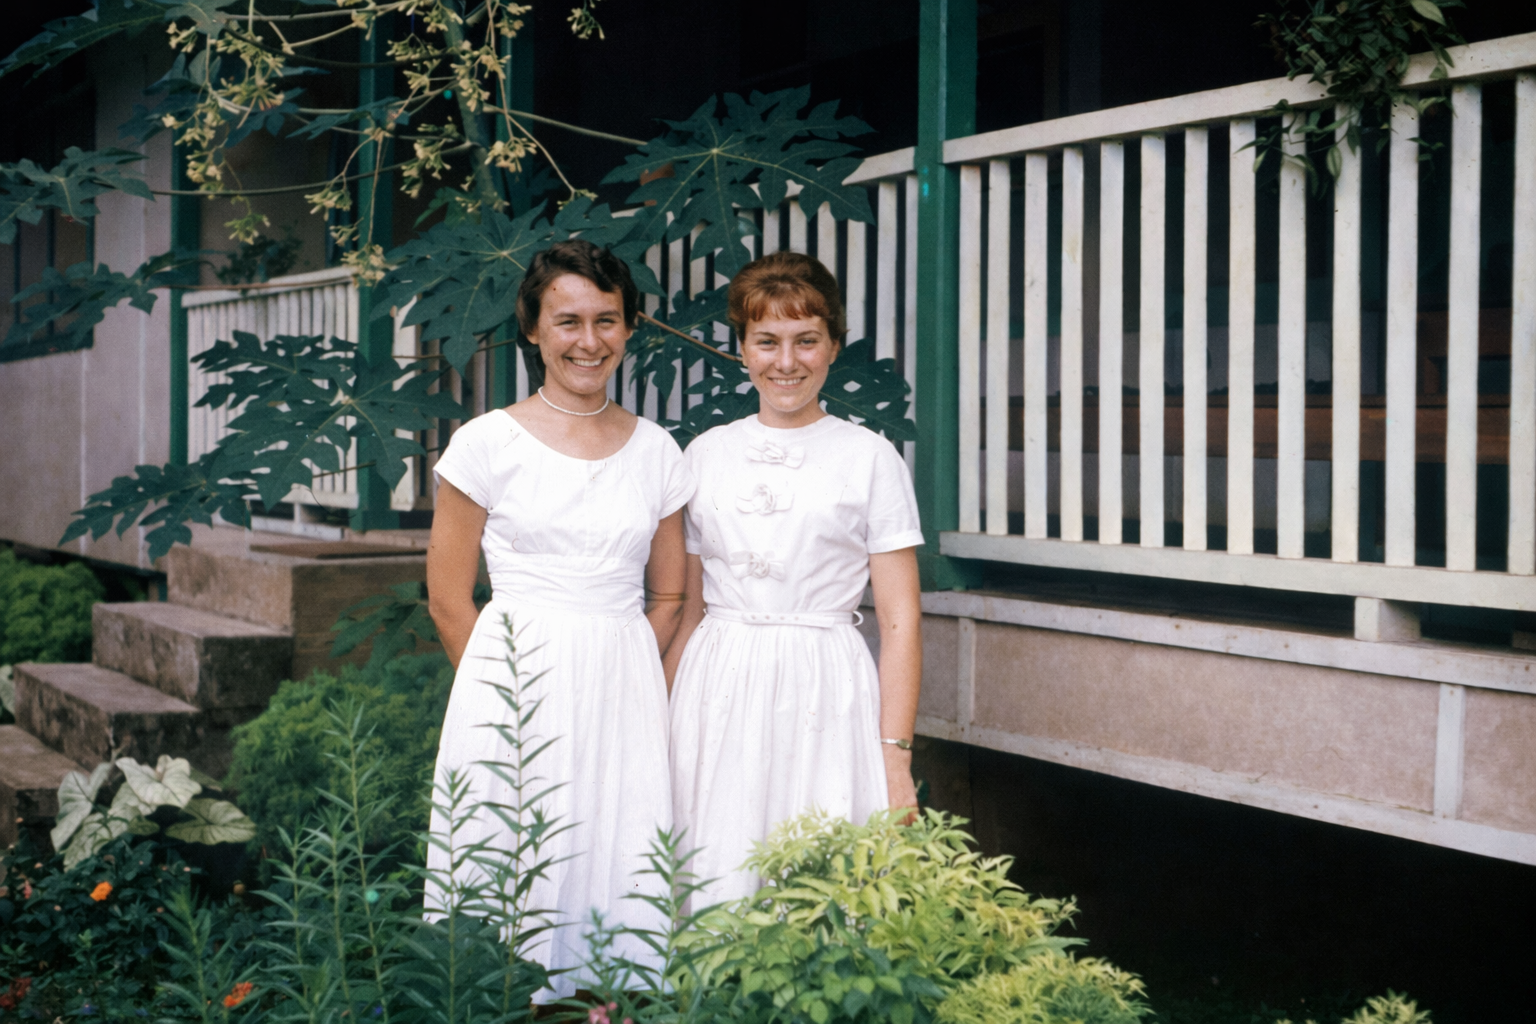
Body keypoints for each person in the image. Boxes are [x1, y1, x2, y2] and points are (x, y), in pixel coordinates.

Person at [424, 239, 693, 995]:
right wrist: (497, 695)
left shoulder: (657, 452)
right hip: (511, 677)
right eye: (567, 321)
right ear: (534, 331)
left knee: (613, 851)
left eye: (607, 320)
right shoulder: (485, 443)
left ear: (630, 327)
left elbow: (670, 595)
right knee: (509, 861)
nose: (589, 341)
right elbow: (449, 597)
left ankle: (612, 1003)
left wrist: (626, 669)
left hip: (621, 677)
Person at [665, 250, 924, 907]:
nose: (786, 362)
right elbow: (689, 610)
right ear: (743, 349)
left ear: (833, 346)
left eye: (806, 340)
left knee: (818, 870)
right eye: (767, 341)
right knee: (713, 863)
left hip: (823, 679)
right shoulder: (705, 454)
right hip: (717, 678)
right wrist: (658, 722)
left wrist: (895, 756)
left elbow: (900, 620)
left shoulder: (870, 457)